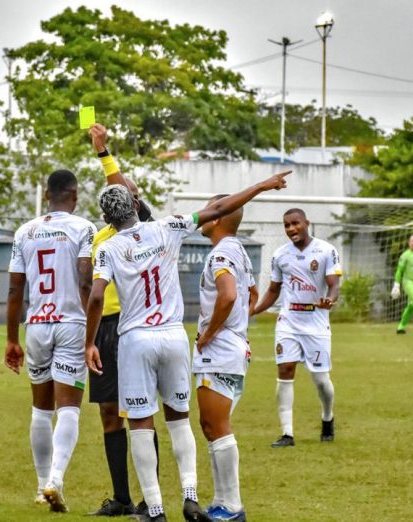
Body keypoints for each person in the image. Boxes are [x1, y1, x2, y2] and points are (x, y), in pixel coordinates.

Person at [85, 171, 290, 522]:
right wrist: (259, 186)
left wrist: (90, 341)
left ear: (106, 219)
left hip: (135, 339)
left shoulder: (106, 248)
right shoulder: (169, 226)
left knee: (140, 424)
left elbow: (96, 295)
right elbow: (219, 209)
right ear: (136, 204)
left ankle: (156, 509)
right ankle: (191, 497)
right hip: (174, 336)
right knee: (179, 420)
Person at [5, 169, 97, 513]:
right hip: (72, 324)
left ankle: (41, 484)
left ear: (47, 195)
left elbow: (15, 289)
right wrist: (92, 333)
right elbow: (86, 281)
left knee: (40, 410)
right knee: (69, 408)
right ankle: (55, 480)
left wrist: (12, 339)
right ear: (74, 196)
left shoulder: (24, 232)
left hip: (37, 326)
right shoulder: (83, 228)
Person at [85, 124, 157, 517]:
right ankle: (122, 498)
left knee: (140, 412)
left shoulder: (144, 228)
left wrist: (103, 152)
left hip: (134, 327)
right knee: (108, 412)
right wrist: (90, 337)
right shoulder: (99, 238)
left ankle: (151, 500)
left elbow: (122, 185)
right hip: (105, 330)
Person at [252, 208, 342, 448]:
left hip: (316, 323)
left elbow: (334, 285)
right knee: (285, 371)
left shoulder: (326, 251)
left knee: (321, 380)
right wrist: (253, 311)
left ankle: (327, 417)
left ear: (306, 223)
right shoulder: (280, 255)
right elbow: (273, 291)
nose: (291, 229)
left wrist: (330, 300)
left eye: (295, 224)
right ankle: (287, 433)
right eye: (286, 225)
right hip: (288, 322)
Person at [194, 195, 258, 522]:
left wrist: (209, 334)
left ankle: (232, 506)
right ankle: (221, 502)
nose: (203, 215)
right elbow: (253, 295)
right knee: (211, 425)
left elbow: (230, 295)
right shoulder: (240, 251)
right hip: (235, 348)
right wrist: (238, 329)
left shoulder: (221, 252)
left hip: (219, 351)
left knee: (216, 425)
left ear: (217, 219)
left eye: (209, 210)